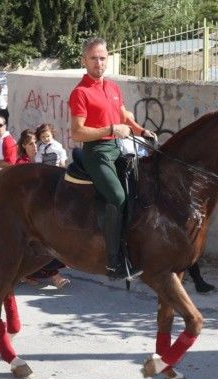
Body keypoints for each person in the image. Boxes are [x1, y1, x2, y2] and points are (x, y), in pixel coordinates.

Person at [68, 37, 156, 280]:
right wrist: (110, 130)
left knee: (140, 188)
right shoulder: (80, 93)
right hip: (96, 152)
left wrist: (141, 131)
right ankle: (113, 261)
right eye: (94, 58)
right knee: (117, 197)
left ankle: (132, 246)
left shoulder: (113, 88)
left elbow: (123, 115)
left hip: (117, 148)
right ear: (84, 60)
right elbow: (77, 132)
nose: (99, 62)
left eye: (103, 58)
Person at [16, 129, 71, 289]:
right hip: (28, 213)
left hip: (45, 210)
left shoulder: (46, 159)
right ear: (24, 146)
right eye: (30, 144)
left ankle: (25, 273)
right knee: (40, 245)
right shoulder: (22, 164)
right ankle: (55, 277)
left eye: (36, 143)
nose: (35, 146)